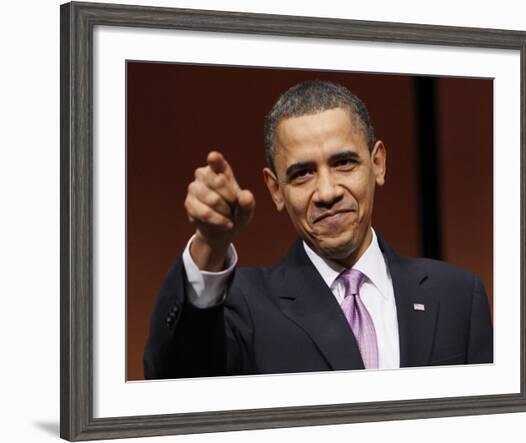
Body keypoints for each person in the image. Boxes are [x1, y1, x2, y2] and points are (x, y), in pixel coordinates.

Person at [143, 80, 493, 379]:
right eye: (302, 174)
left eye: (343, 163)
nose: (327, 192)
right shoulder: (242, 305)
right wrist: (210, 244)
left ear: (378, 164)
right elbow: (174, 378)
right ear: (275, 190)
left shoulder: (458, 295)